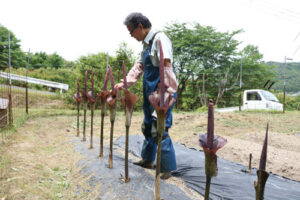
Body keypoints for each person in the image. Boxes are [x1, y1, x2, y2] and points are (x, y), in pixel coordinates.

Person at [115, 12, 178, 179]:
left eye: (131, 31)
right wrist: (125, 82)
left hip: (162, 91)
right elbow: (140, 65)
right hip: (149, 91)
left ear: (140, 27)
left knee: (160, 129)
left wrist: (166, 94)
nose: (131, 35)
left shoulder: (160, 39)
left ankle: (166, 168)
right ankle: (148, 160)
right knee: (148, 126)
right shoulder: (146, 44)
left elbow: (167, 67)